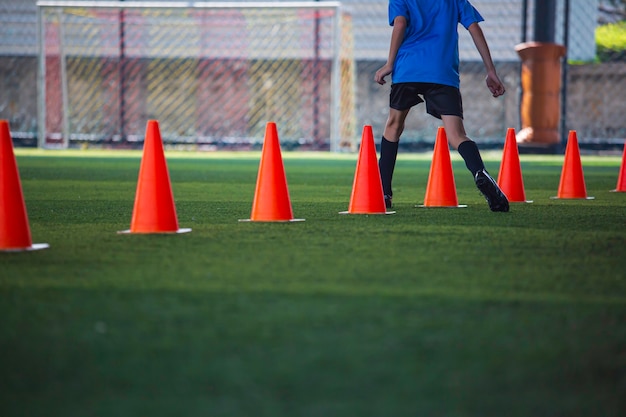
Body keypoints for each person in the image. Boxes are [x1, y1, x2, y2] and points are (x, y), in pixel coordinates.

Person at [374, 0, 509, 212]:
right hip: (442, 72)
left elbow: (400, 24)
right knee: (457, 135)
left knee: (393, 126)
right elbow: (474, 28)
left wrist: (389, 63)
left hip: (409, 67)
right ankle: (479, 172)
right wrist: (490, 70)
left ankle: (383, 192)